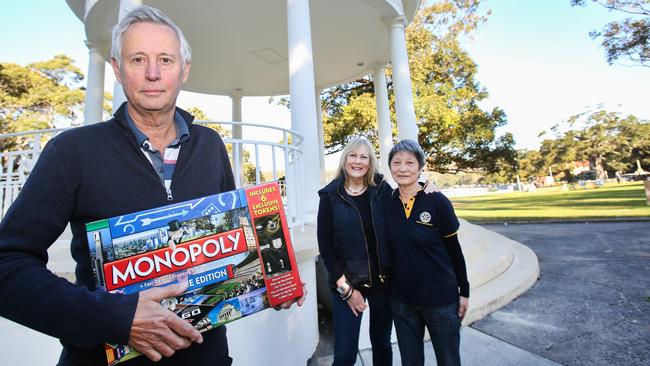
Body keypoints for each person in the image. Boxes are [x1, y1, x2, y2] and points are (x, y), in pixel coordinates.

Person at [0, 6, 303, 366]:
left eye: (165, 59)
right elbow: (7, 267)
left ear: (184, 70)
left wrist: (269, 282)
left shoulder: (210, 146)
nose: (153, 73)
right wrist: (116, 317)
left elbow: (232, 243)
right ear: (117, 68)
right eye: (138, 59)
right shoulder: (71, 152)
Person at [384, 139, 469, 366]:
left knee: (449, 360)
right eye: (397, 162)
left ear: (421, 167)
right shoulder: (386, 202)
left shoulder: (437, 201)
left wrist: (464, 291)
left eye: (410, 163)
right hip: (402, 302)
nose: (403, 168)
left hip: (441, 300)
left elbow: (455, 251)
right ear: (390, 166)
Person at [317, 138, 393, 366]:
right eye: (353, 155)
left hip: (382, 282)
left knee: (382, 344)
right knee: (344, 355)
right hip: (346, 282)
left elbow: (404, 212)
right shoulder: (330, 196)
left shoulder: (381, 189)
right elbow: (326, 249)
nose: (357, 161)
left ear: (370, 163)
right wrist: (348, 291)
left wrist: (425, 187)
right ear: (345, 159)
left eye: (364, 157)